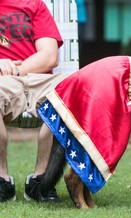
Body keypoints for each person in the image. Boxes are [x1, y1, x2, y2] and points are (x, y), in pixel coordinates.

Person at [0, 0, 69, 203]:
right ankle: (1, 180)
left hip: (39, 80)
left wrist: (17, 70)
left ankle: (42, 180)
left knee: (71, 90)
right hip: (2, 82)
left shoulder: (33, 4)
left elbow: (49, 56)